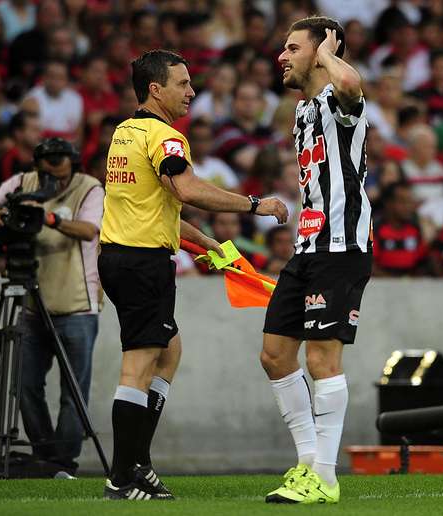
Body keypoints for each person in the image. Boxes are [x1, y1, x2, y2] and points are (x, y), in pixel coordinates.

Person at [98, 49, 286, 500]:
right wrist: (256, 204)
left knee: (168, 353)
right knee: (139, 365)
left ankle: (136, 466)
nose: (192, 91)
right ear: (155, 89)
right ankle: (124, 476)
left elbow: (161, 209)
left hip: (121, 256)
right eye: (182, 84)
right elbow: (187, 188)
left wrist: (213, 246)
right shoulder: (166, 138)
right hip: (143, 263)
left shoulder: (125, 133)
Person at [262, 17, 372, 505]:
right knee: (274, 354)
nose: (281, 57)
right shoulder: (304, 111)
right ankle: (308, 462)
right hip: (307, 247)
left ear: (323, 49)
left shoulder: (340, 101)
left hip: (342, 247)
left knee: (321, 358)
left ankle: (324, 475)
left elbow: (349, 82)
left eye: (291, 48)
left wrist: (329, 53)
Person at [0, 137, 104, 476]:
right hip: (31, 301)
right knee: (25, 384)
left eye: (60, 172)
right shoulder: (19, 183)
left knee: (72, 393)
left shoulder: (89, 188)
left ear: (73, 166)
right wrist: (0, 221)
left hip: (78, 305)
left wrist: (48, 219)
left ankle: (63, 462)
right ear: (37, 166)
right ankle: (45, 455)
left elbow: (90, 231)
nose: (52, 180)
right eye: (46, 171)